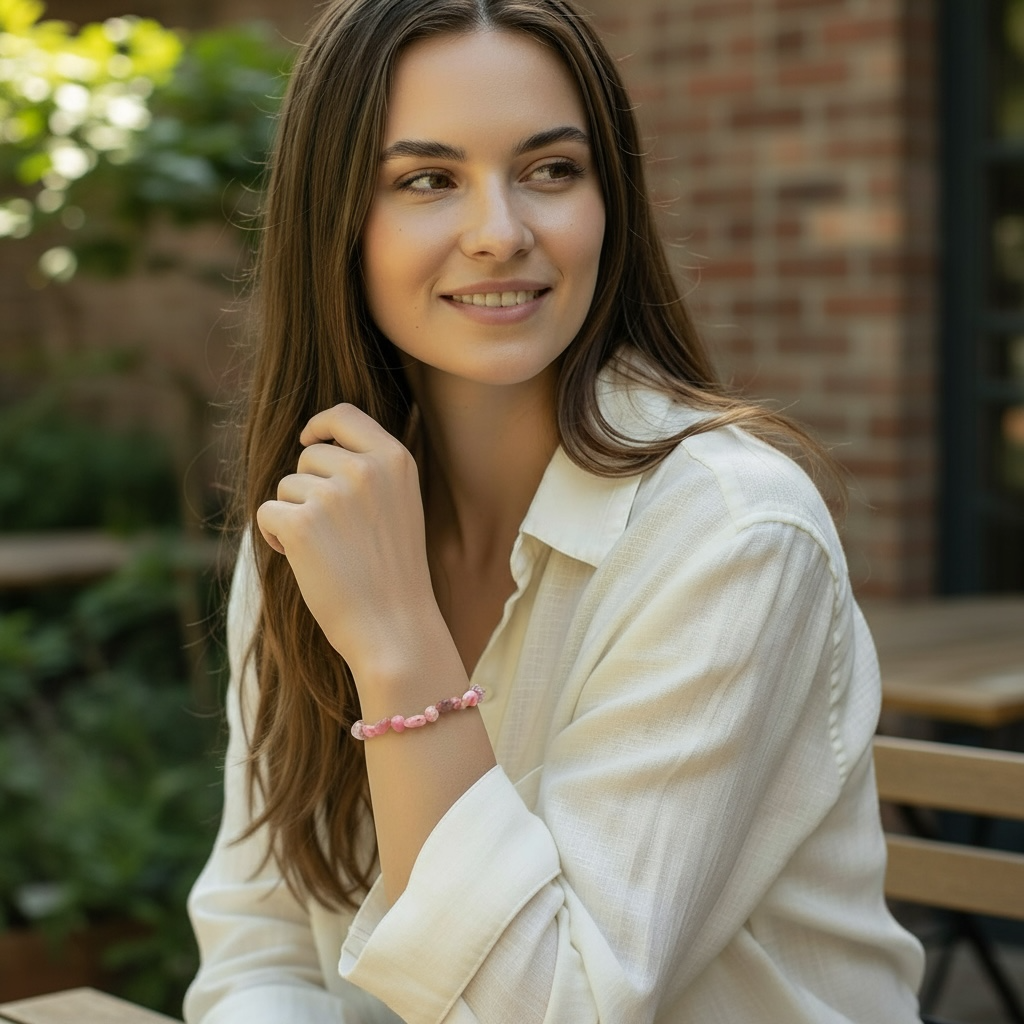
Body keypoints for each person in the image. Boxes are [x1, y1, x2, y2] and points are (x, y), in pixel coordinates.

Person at [183, 1, 926, 1021]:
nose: (500, 233)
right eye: (428, 179)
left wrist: (398, 643)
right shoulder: (325, 515)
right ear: (337, 220)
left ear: (608, 199)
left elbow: (559, 1005)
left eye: (550, 170)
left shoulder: (731, 531)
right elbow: (259, 942)